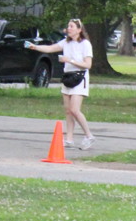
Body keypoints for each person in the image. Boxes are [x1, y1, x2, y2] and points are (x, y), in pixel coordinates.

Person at [27, 19, 95, 148]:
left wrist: (70, 60)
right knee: (68, 111)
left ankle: (89, 136)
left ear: (79, 30)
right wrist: (35, 47)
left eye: (72, 26)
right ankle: (69, 139)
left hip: (80, 78)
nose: (69, 28)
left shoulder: (85, 44)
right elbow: (50, 48)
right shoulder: (66, 42)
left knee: (75, 110)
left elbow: (88, 64)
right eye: (68, 26)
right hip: (68, 77)